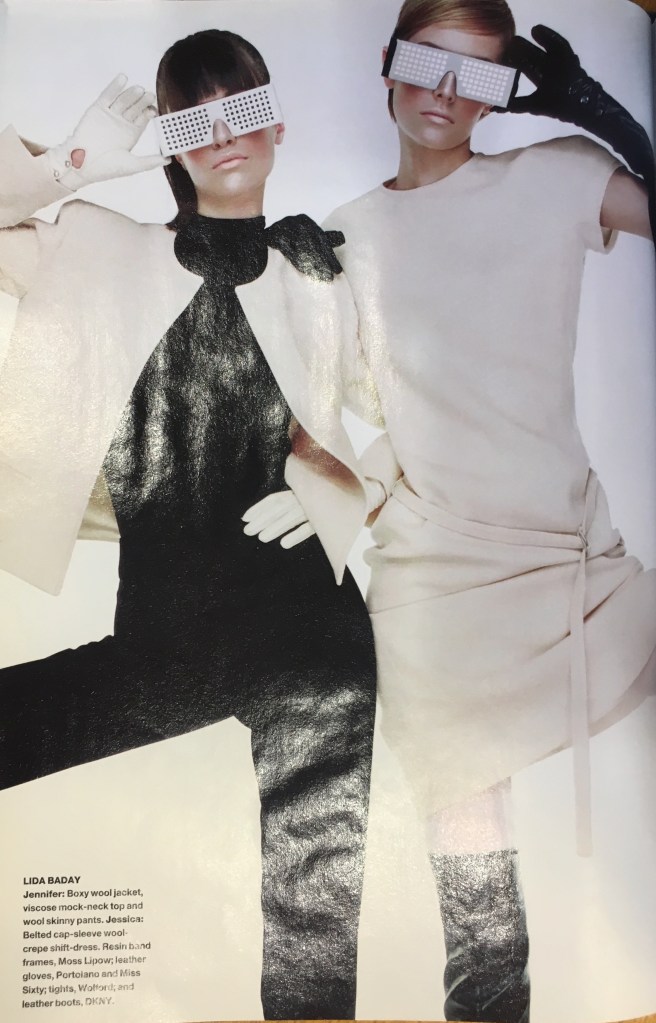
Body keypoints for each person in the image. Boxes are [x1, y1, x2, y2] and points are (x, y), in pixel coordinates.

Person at [247, 2, 656, 1020]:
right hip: (431, 575)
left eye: (476, 75)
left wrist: (603, 116)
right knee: (472, 872)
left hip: (570, 554)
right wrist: (289, 293)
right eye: (428, 63)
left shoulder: (554, 176)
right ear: (388, 63)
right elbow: (323, 422)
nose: (442, 93)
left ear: (505, 92)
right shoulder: (339, 235)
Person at [0, 28, 384, 1020]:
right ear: (171, 143)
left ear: (277, 125)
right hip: (166, 625)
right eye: (194, 120)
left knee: (312, 933)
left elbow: (422, 418)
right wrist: (76, 162)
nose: (224, 136)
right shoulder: (99, 250)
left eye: (243, 110)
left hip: (305, 620)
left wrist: (336, 489)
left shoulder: (319, 271)